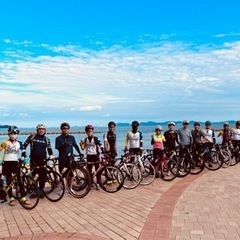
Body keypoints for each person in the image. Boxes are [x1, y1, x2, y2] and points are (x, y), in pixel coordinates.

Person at [0, 126, 31, 206]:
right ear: (9, 134)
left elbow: (23, 151)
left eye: (15, 133)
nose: (13, 135)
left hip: (15, 163)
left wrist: (24, 157)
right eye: (11, 133)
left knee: (19, 181)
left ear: (17, 134)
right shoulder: (5, 142)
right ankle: (11, 199)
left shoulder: (19, 143)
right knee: (9, 181)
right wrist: (0, 159)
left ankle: (23, 198)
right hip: (6, 163)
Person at [23, 123, 54, 198]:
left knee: (42, 176)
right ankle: (34, 191)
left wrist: (51, 155)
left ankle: (41, 190)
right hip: (33, 160)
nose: (41, 131)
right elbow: (24, 145)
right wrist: (23, 153)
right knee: (34, 176)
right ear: (37, 130)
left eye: (43, 129)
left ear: (45, 130)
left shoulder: (47, 139)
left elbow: (49, 148)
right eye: (40, 129)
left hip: (43, 160)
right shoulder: (32, 137)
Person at [80, 125, 102, 190]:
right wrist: (81, 145)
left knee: (97, 171)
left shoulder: (96, 138)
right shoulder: (85, 139)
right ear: (86, 132)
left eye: (90, 131)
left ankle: (98, 183)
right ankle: (90, 183)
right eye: (88, 131)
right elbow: (83, 148)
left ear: (93, 131)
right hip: (89, 156)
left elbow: (100, 145)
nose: (89, 132)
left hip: (96, 156)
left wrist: (103, 151)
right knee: (89, 171)